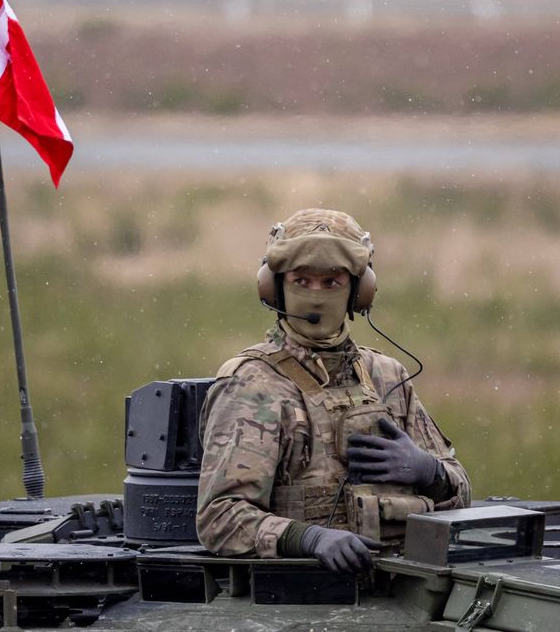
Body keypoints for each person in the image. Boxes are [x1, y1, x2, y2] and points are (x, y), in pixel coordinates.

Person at [196, 208, 470, 574]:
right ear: (274, 288)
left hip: (404, 586)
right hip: (304, 594)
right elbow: (220, 518)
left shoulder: (388, 377)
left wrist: (430, 472)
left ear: (360, 291)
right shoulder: (253, 385)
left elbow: (462, 494)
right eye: (301, 280)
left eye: (332, 282)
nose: (315, 296)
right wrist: (307, 538)